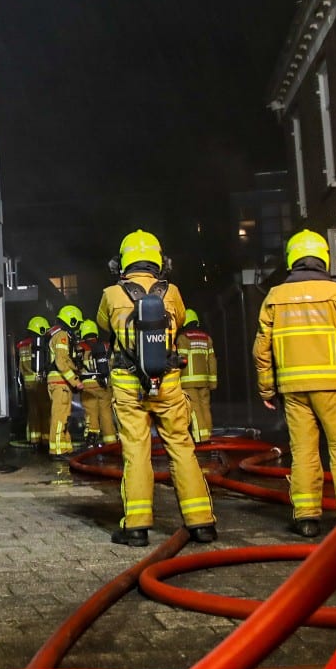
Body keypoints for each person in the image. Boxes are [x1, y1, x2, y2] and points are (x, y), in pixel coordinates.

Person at [98, 232, 217, 546]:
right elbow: (177, 322)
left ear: (120, 262)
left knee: (136, 453)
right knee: (181, 448)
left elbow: (103, 326)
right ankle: (202, 523)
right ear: (160, 261)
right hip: (167, 384)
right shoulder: (173, 293)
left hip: (128, 387)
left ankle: (136, 527)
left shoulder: (111, 294)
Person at [253, 229, 336, 538]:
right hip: (335, 386)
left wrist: (267, 388)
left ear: (292, 259)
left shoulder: (274, 297)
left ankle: (306, 517)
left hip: (293, 390)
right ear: (323, 258)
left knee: (303, 451)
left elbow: (261, 350)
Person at [46, 304, 83, 458]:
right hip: (60, 382)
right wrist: (75, 381)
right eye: (77, 323)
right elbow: (61, 361)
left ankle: (65, 447)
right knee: (59, 417)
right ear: (72, 320)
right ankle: (56, 451)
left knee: (64, 417)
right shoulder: (61, 336)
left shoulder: (61, 335)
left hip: (61, 382)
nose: (78, 326)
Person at [179, 310, 219, 441]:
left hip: (188, 382)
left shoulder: (183, 338)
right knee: (206, 408)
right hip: (205, 382)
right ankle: (208, 435)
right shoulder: (207, 338)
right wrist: (213, 382)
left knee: (194, 411)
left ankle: (201, 439)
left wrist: (174, 381)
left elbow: (180, 361)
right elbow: (212, 361)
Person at [76, 318, 116, 446]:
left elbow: (74, 366)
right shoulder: (105, 346)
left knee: (91, 414)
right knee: (106, 414)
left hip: (88, 386)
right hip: (105, 384)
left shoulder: (79, 347)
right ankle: (111, 442)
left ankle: (91, 442)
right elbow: (113, 364)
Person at [15, 316, 50, 447]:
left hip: (27, 384)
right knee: (45, 411)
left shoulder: (22, 346)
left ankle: (34, 439)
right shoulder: (38, 344)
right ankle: (46, 439)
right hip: (40, 382)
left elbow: (20, 367)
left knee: (33, 411)